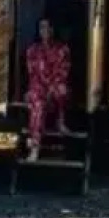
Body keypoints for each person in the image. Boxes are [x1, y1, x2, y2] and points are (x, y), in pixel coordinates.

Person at [23, 17, 70, 159]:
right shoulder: (32, 51)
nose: (44, 31)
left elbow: (62, 72)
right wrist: (39, 90)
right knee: (37, 105)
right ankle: (35, 148)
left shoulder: (62, 49)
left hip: (54, 88)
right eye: (41, 28)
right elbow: (33, 75)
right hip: (39, 88)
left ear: (52, 29)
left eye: (47, 27)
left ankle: (60, 122)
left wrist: (51, 88)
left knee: (62, 90)